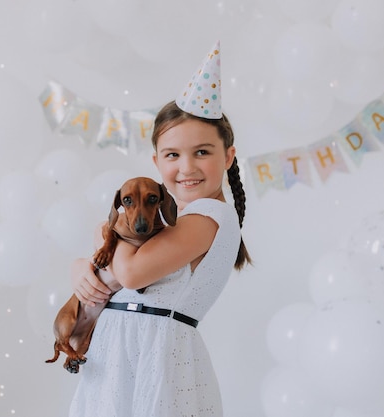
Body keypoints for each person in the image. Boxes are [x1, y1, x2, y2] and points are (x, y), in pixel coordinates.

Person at [68, 41, 251, 417]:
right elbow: (119, 265)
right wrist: (81, 267)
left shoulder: (208, 217)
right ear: (156, 161)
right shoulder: (176, 222)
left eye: (202, 152)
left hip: (158, 357)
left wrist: (107, 231)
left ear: (228, 156)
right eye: (173, 155)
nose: (186, 167)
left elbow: (132, 273)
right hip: (122, 355)